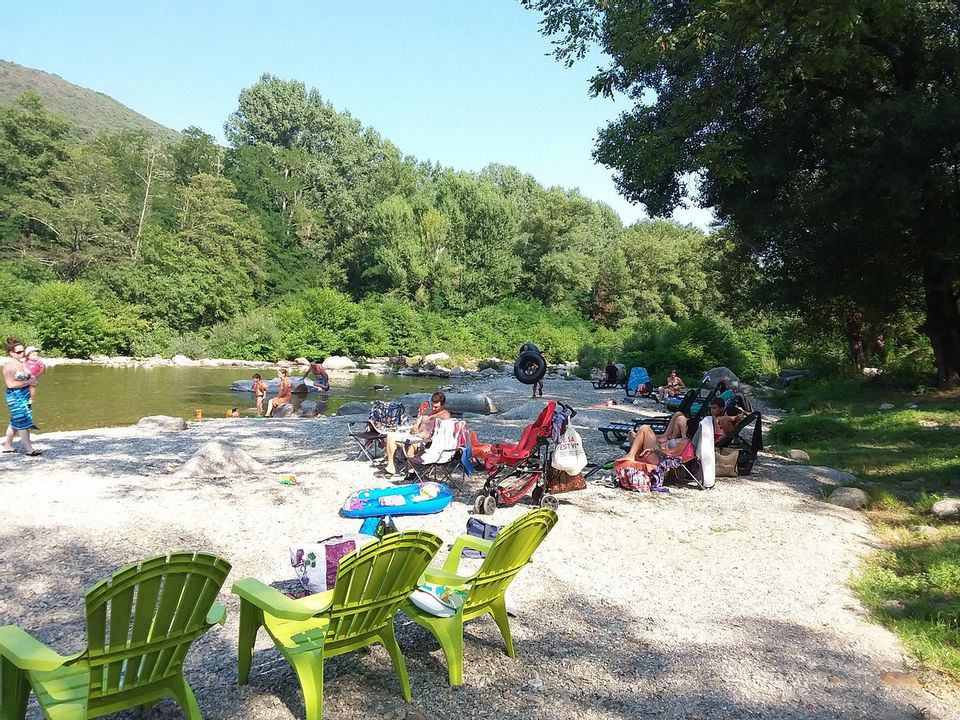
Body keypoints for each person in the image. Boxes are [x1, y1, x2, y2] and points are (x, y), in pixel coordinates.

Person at [620, 397, 727, 461]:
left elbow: (670, 454)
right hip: (658, 453)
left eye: (714, 408)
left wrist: (655, 449)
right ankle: (636, 445)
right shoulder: (686, 442)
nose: (712, 410)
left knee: (644, 428)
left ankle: (633, 451)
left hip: (658, 458)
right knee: (646, 429)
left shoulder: (685, 443)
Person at [384, 391, 451, 475]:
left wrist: (427, 436)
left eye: (436, 407)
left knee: (410, 443)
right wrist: (414, 430)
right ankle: (391, 466)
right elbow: (416, 425)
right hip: (416, 435)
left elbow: (443, 434)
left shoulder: (445, 416)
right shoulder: (426, 411)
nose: (433, 409)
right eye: (433, 406)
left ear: (443, 405)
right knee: (390, 436)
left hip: (427, 441)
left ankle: (411, 471)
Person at [3, 337, 39, 456]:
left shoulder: (22, 364)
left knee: (15, 421)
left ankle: (7, 446)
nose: (21, 353)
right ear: (11, 353)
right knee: (23, 420)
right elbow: (10, 384)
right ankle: (29, 449)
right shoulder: (8, 367)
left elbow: (31, 375)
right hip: (14, 396)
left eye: (22, 351)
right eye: (18, 352)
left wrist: (33, 378)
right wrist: (28, 382)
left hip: (24, 395)